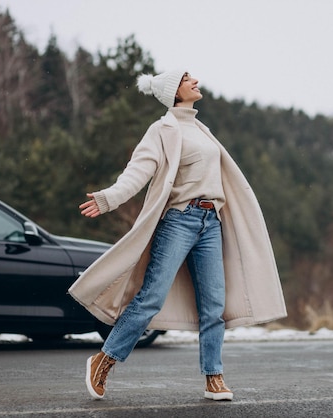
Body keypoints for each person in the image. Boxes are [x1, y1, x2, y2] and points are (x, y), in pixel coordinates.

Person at [69, 70, 286, 401]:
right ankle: (105, 359)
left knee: (214, 305)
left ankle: (213, 376)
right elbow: (138, 170)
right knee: (151, 297)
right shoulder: (163, 129)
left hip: (211, 222)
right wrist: (110, 198)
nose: (195, 80)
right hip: (179, 220)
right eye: (187, 78)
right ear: (174, 91)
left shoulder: (201, 130)